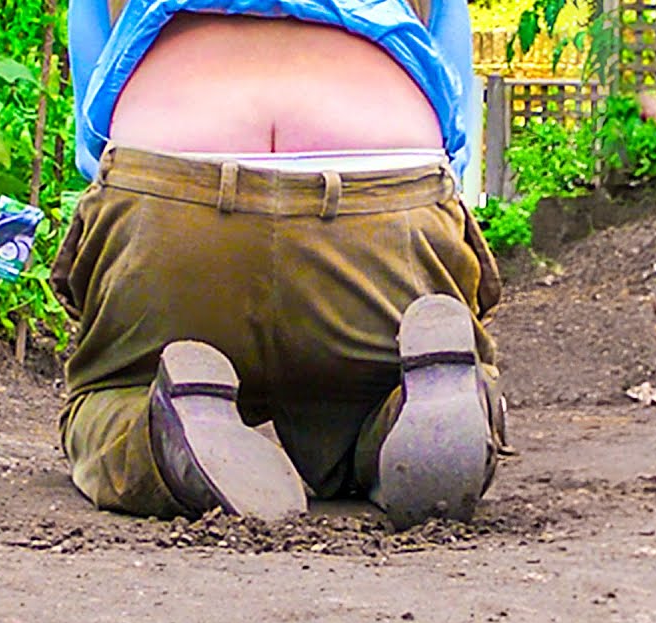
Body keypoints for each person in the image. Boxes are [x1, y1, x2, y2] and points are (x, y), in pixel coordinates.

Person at [53, 0, 506, 529]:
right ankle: (401, 409)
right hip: (384, 198)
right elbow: (454, 130)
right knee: (370, 391)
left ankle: (164, 432)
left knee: (113, 392)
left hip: (171, 191)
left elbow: (94, 141)